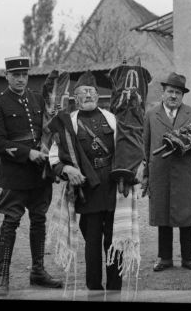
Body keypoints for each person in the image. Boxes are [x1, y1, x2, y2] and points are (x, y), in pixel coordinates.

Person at [0, 56, 62, 295]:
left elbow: (49, 129)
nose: (21, 79)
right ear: (7, 77)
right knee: (10, 222)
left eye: (24, 75)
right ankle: (2, 276)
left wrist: (47, 148)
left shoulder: (37, 99)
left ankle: (38, 271)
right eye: (15, 75)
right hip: (15, 174)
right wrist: (27, 153)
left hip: (40, 174)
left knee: (39, 220)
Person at [48, 70, 122, 292]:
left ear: (98, 96)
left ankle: (115, 288)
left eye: (91, 92)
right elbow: (53, 156)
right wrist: (67, 168)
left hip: (111, 184)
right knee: (91, 239)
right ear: (76, 98)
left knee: (113, 237)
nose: (88, 96)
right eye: (83, 93)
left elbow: (126, 148)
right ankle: (94, 288)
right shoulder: (67, 123)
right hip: (87, 187)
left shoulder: (112, 119)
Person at [143, 72, 191, 272]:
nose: (173, 96)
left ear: (182, 96)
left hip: (187, 172)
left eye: (178, 93)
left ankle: (188, 259)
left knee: (187, 216)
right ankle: (165, 258)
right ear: (163, 93)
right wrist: (146, 172)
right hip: (160, 172)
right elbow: (146, 145)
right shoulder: (151, 114)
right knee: (163, 216)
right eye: (170, 91)